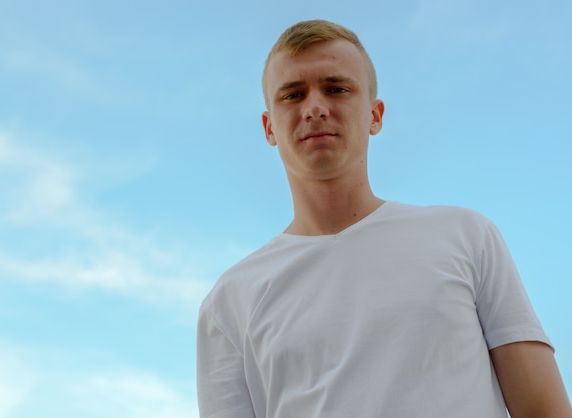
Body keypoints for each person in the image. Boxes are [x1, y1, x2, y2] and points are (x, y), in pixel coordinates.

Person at [196, 19, 572, 417]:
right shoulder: (230, 301)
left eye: (336, 88)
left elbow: (545, 410)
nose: (315, 108)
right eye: (292, 95)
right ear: (269, 127)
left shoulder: (466, 236)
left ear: (375, 115)